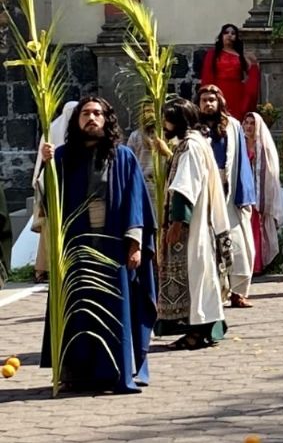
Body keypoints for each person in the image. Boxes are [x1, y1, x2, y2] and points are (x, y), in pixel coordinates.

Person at [38, 96, 156, 393]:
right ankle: (76, 374)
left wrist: (135, 243)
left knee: (115, 312)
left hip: (113, 249)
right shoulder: (63, 157)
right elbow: (48, 203)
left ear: (107, 119)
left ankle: (115, 373)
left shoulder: (124, 156)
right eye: (86, 113)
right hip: (76, 250)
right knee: (77, 312)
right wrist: (46, 168)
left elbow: (135, 203)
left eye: (98, 113)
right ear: (77, 120)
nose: (92, 118)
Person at [155, 98, 231, 350]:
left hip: (192, 226)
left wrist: (178, 222)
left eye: (167, 119)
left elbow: (185, 186)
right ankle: (203, 329)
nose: (164, 124)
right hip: (202, 222)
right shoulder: (196, 143)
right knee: (203, 277)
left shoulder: (190, 146)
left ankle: (198, 332)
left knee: (196, 276)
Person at [196, 85, 257, 308]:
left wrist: (244, 194)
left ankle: (238, 292)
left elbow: (241, 161)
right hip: (204, 190)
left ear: (219, 101)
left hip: (229, 190)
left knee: (239, 242)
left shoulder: (233, 126)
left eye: (212, 99)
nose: (208, 104)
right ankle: (212, 292)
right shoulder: (195, 128)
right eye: (204, 100)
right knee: (208, 243)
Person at [30, 100, 77, 283]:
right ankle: (47, 267)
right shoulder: (56, 130)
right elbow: (43, 158)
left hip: (64, 185)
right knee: (49, 229)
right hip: (52, 185)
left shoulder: (58, 129)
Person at [242, 112, 283, 275]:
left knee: (257, 228)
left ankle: (257, 264)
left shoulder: (264, 146)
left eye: (252, 123)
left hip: (258, 193)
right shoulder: (240, 144)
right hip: (244, 192)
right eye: (246, 123)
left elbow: (271, 171)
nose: (249, 126)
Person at [200, 23, 261, 117]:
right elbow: (207, 76)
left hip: (237, 92)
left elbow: (252, 73)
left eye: (233, 33)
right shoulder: (213, 54)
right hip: (219, 90)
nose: (229, 35)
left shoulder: (241, 55)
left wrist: (254, 64)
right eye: (226, 32)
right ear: (221, 36)